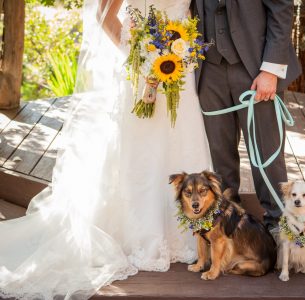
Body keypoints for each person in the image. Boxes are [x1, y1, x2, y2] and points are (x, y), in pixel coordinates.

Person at [0, 1, 211, 299]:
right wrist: (140, 54)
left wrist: (183, 50)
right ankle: (141, 234)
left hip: (182, 72)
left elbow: (188, 13)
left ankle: (189, 236)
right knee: (143, 151)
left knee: (181, 140)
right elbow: (103, 15)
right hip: (140, 70)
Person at [192, 0, 301, 232]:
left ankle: (279, 226)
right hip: (207, 70)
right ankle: (229, 228)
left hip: (256, 67)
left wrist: (271, 70)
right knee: (219, 156)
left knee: (266, 154)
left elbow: (281, 9)